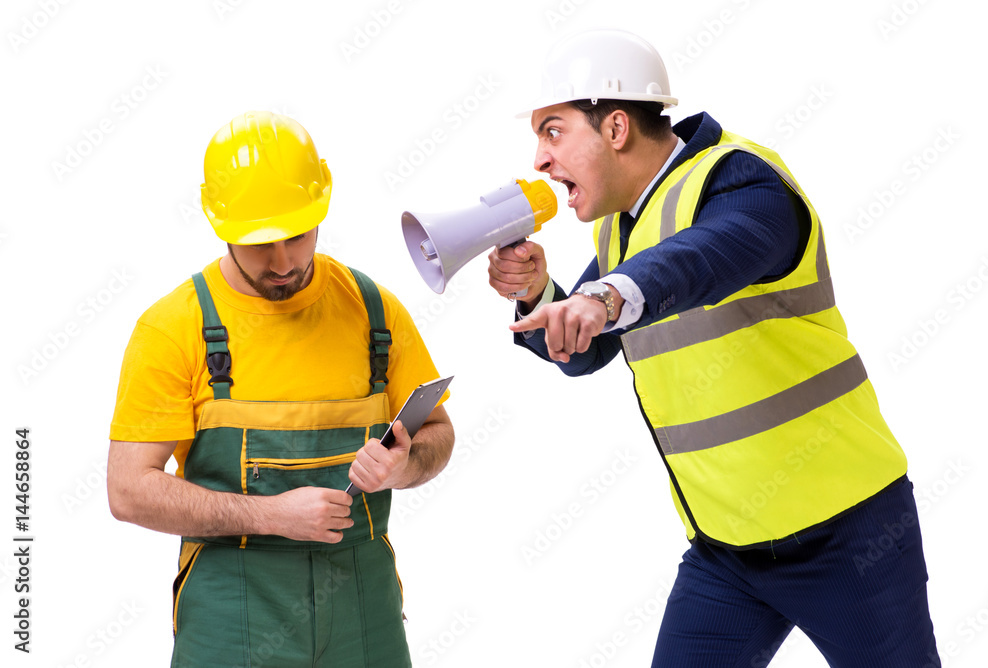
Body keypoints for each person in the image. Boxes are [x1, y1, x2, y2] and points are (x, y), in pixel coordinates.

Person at [488, 30, 939, 667]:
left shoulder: (742, 180)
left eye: (553, 131)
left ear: (616, 126)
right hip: (726, 551)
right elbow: (585, 351)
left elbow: (706, 256)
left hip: (850, 534)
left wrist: (607, 297)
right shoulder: (624, 228)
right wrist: (540, 292)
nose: (539, 158)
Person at [107, 111, 454, 667]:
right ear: (220, 225)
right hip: (233, 611)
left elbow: (436, 431)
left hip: (364, 605)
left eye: (297, 234)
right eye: (259, 242)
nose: (283, 261)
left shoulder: (374, 314)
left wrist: (405, 465)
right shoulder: (175, 328)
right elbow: (128, 491)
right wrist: (270, 517)